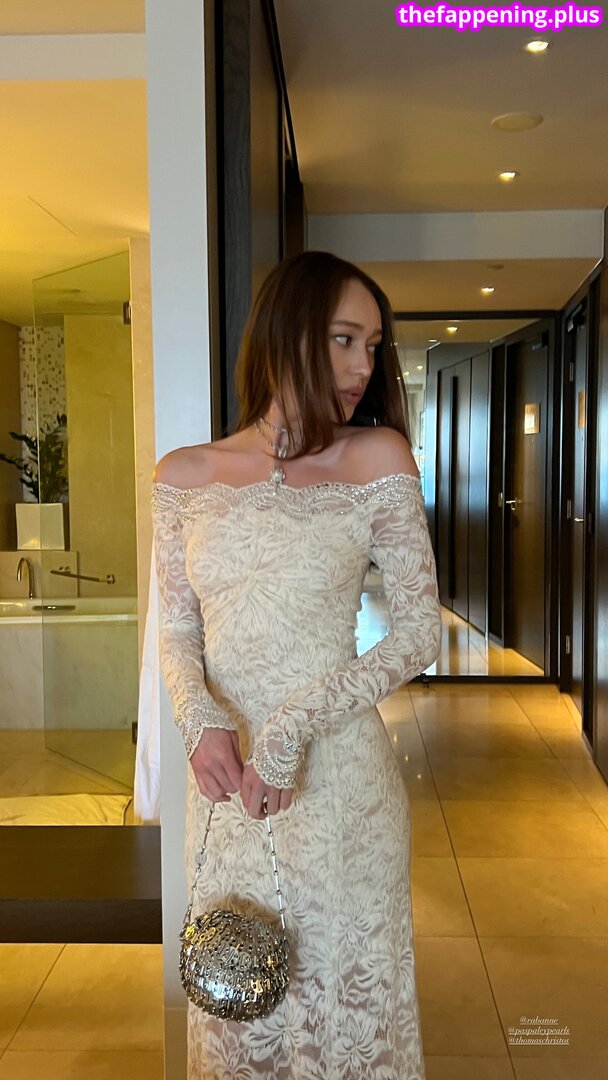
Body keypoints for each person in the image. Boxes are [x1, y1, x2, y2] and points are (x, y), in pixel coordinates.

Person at [151, 250, 442, 1079]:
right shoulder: (184, 476)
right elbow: (175, 630)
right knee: (237, 1005)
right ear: (284, 334)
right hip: (225, 789)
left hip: (338, 783)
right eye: (343, 339)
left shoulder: (377, 457)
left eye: (372, 346)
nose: (361, 366)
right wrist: (198, 719)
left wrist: (289, 729)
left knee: (346, 1015)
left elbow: (419, 633)